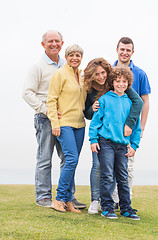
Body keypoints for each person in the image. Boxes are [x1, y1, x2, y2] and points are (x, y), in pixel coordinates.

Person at [22, 31, 86, 209]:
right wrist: (48, 111)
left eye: (57, 41)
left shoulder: (67, 66)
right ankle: (43, 197)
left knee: (68, 157)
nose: (54, 44)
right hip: (45, 118)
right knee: (45, 158)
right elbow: (26, 93)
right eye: (50, 41)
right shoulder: (38, 66)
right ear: (43, 44)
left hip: (65, 119)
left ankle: (68, 196)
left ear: (62, 43)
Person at [83, 58, 143, 214]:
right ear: (113, 82)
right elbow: (94, 121)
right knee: (107, 174)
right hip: (106, 143)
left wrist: (134, 145)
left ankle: (126, 208)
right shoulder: (103, 99)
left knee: (122, 177)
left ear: (128, 83)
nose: (121, 84)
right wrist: (93, 140)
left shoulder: (130, 102)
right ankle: (106, 207)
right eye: (117, 81)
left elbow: (136, 126)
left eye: (124, 82)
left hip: (123, 145)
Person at [47, 44, 87, 213]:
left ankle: (69, 201)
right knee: (71, 159)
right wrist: (55, 123)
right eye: (71, 55)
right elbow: (51, 100)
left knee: (73, 162)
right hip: (64, 124)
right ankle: (59, 198)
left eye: (78, 55)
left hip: (80, 124)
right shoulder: (60, 74)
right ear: (66, 56)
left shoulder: (83, 76)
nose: (74, 58)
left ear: (81, 57)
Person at [113, 37, 151, 198]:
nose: (124, 52)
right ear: (117, 50)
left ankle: (124, 200)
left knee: (127, 166)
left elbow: (145, 102)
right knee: (108, 166)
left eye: (128, 50)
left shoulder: (140, 74)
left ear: (132, 52)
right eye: (122, 49)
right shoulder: (109, 70)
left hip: (130, 128)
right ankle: (110, 199)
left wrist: (141, 128)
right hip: (111, 126)